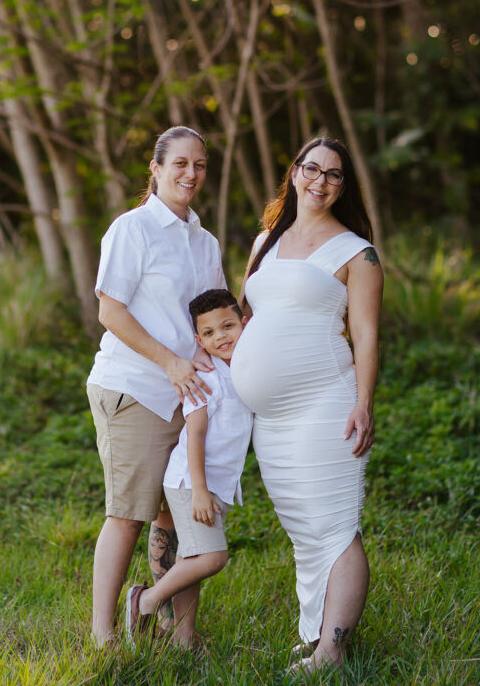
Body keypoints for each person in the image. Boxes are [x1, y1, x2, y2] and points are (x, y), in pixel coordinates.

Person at [230, 137, 383, 675]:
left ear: (344, 186)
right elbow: (245, 317)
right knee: (303, 525)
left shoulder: (355, 251)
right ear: (294, 173)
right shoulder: (265, 242)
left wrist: (364, 403)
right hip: (271, 418)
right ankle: (318, 633)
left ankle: (333, 653)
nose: (320, 181)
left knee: (335, 524)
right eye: (311, 169)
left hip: (325, 402)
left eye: (334, 174)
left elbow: (365, 335)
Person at [86, 126, 227, 648]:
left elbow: (211, 316)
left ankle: (176, 630)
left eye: (200, 165)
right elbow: (110, 310)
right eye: (180, 164)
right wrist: (170, 360)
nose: (191, 174)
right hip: (136, 389)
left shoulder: (204, 240)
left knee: (177, 514)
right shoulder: (133, 229)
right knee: (128, 515)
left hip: (187, 398)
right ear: (156, 168)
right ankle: (105, 636)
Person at [124, 289, 253, 650]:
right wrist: (199, 490)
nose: (220, 337)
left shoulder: (240, 373)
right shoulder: (205, 378)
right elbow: (194, 436)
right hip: (191, 483)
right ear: (199, 341)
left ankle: (182, 638)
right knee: (212, 558)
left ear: (245, 324)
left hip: (215, 485)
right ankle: (144, 602)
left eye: (227, 326)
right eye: (209, 334)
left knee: (190, 560)